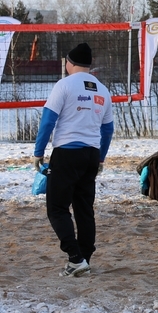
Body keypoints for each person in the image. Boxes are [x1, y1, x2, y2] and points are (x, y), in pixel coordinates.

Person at [33, 43, 114, 277]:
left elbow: (47, 121)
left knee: (57, 208)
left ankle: (76, 258)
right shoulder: (102, 89)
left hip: (67, 153)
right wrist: (100, 159)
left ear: (69, 63)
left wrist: (38, 152)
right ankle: (85, 258)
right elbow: (107, 130)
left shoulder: (64, 85)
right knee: (84, 209)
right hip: (90, 154)